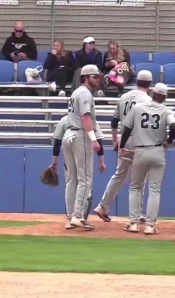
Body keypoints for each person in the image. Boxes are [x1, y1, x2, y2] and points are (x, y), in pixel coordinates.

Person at [93, 70, 152, 223]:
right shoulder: (148, 99)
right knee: (139, 180)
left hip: (124, 140)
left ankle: (103, 206)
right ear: (149, 84)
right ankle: (137, 214)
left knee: (119, 176)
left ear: (137, 81)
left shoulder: (124, 96)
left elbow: (114, 121)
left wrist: (115, 141)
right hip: (140, 141)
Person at [119, 83, 175, 235]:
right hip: (158, 151)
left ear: (152, 92)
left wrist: (122, 146)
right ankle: (150, 225)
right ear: (164, 97)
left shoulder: (138, 107)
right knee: (154, 190)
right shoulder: (166, 110)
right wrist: (169, 141)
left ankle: (133, 223)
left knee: (135, 187)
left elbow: (127, 128)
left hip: (140, 150)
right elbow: (173, 127)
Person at [63, 64, 102, 230]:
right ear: (86, 77)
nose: (98, 79)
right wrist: (93, 139)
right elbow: (86, 117)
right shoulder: (85, 93)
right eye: (95, 76)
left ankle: (70, 215)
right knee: (85, 178)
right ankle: (78, 216)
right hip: (80, 135)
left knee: (72, 179)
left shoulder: (75, 92)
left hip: (69, 134)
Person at [50, 116, 105, 229]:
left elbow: (57, 143)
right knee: (85, 185)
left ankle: (70, 218)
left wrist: (54, 163)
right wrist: (101, 161)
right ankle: (80, 217)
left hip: (68, 159)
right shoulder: (90, 120)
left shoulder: (65, 120)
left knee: (70, 185)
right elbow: (99, 141)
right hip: (83, 158)